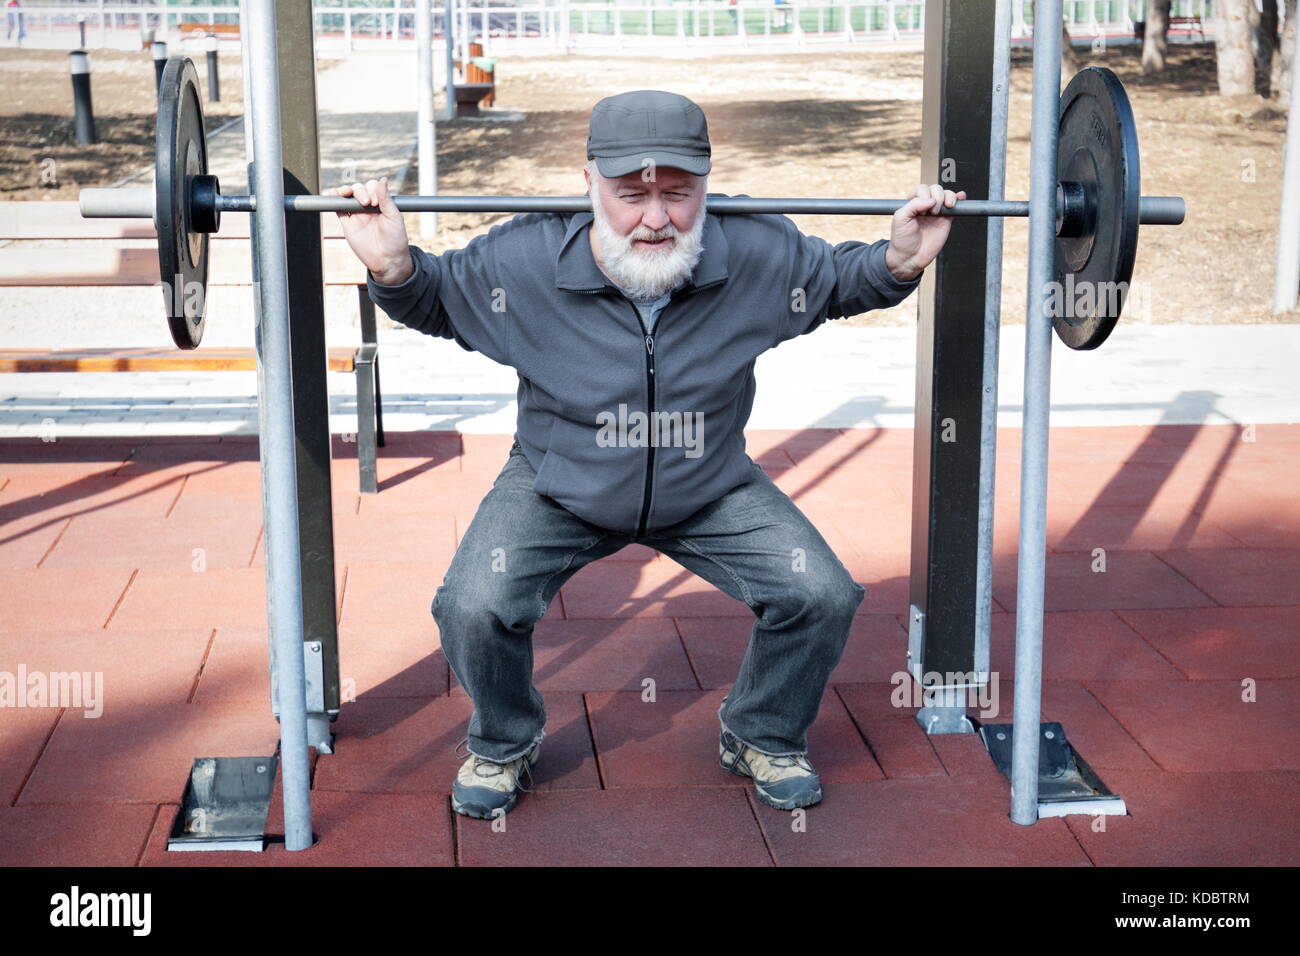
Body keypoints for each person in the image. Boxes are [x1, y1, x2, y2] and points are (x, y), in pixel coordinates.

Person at [330, 90, 963, 820]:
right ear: (590, 184)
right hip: (560, 481)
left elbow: (836, 281)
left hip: (707, 484)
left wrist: (897, 262)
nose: (656, 218)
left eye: (678, 194)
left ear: (706, 186)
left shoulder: (753, 248)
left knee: (820, 594)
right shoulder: (526, 257)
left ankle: (761, 731)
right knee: (473, 605)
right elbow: (438, 299)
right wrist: (395, 269)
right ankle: (505, 740)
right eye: (631, 195)